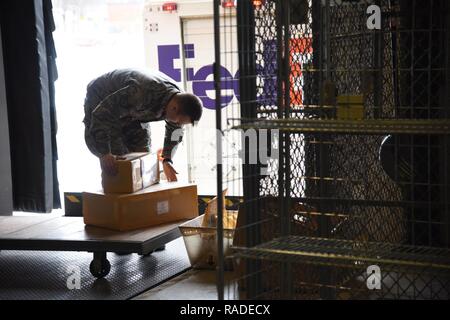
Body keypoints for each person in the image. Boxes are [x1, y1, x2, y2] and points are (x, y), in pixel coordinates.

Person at [83, 69, 203, 181]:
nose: (178, 125)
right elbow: (101, 115)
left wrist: (167, 159)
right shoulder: (140, 93)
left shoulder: (179, 101)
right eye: (178, 122)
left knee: (143, 160)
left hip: (132, 112)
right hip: (101, 98)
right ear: (174, 108)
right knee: (118, 161)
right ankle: (116, 196)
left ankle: (140, 196)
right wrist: (105, 153)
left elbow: (175, 132)